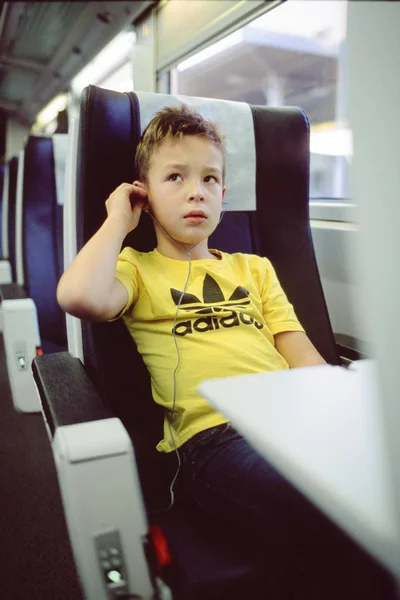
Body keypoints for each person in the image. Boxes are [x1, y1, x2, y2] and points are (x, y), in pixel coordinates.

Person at [57, 105, 393, 598]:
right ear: (143, 195)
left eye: (210, 179)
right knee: (332, 512)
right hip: (213, 441)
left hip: (294, 424)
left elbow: (302, 357)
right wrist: (116, 222)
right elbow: (79, 297)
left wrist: (341, 419)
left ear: (223, 195)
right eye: (175, 176)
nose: (197, 190)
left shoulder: (253, 269)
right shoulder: (136, 267)